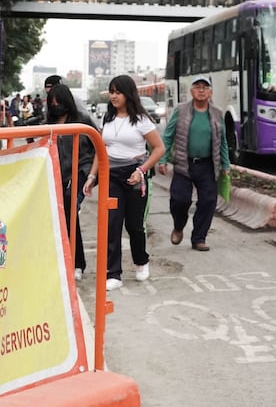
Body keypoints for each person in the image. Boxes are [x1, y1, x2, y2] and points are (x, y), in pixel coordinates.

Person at [83, 75, 166, 290]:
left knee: (134, 225)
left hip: (134, 175)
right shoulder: (107, 119)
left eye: (118, 92)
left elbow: (159, 149)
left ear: (128, 94)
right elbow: (101, 150)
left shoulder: (141, 120)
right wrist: (92, 176)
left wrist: (141, 170)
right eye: (111, 92)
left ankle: (141, 261)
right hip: (111, 175)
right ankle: (114, 274)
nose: (114, 96)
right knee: (112, 223)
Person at [157, 76, 230, 251]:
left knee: (208, 202)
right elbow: (168, 136)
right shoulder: (181, 110)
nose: (201, 90)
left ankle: (199, 238)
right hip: (184, 163)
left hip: (207, 165)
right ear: (191, 91)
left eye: (205, 87)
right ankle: (178, 226)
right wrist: (163, 159)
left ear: (210, 92)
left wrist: (225, 165)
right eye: (197, 87)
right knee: (179, 200)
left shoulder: (217, 113)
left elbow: (223, 141)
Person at [47, 84, 99, 281]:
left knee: (70, 206)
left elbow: (99, 147)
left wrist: (92, 175)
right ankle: (65, 260)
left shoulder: (82, 121)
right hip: (59, 175)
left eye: (59, 103)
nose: (56, 107)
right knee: (61, 216)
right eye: (52, 104)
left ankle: (77, 263)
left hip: (82, 171)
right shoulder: (48, 125)